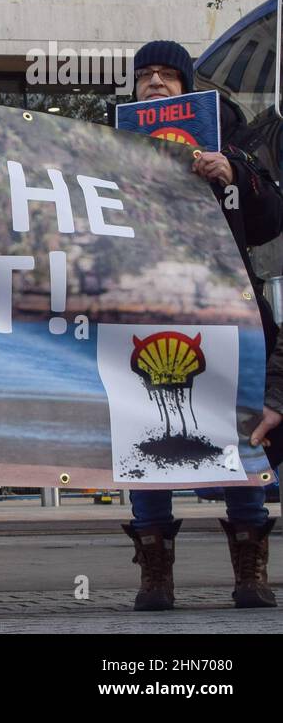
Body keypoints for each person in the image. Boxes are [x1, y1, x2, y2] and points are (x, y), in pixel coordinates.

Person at [120, 40, 283, 610]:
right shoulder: (111, 143)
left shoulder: (235, 143)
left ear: (189, 89)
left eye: (169, 76)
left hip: (229, 317)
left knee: (242, 441)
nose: (157, 84)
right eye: (146, 77)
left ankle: (250, 573)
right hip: (143, 315)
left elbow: (270, 220)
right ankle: (155, 578)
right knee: (145, 442)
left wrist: (235, 172)